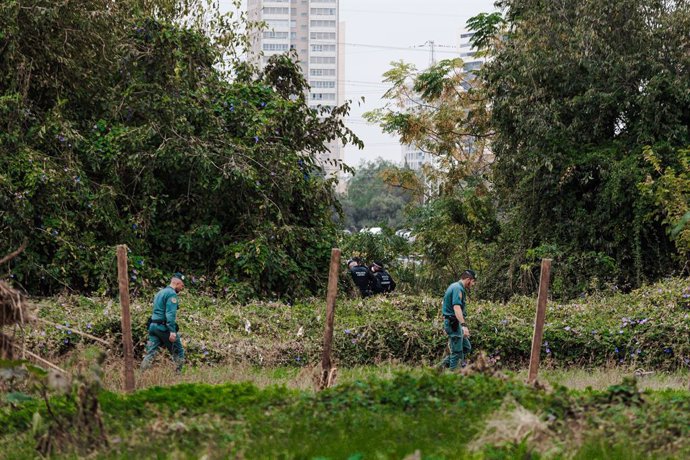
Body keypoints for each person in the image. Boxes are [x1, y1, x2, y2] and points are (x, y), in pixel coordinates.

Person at [141, 273, 186, 373]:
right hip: (163, 327)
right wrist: (172, 331)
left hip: (153, 326)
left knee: (150, 353)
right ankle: (178, 375)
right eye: (182, 285)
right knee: (179, 351)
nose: (182, 288)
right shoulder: (171, 294)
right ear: (177, 283)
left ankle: (141, 374)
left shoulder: (160, 292)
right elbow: (170, 314)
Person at [439, 269, 477, 370]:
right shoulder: (457, 288)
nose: (473, 284)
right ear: (468, 279)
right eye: (473, 282)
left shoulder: (458, 287)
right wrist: (464, 326)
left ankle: (439, 368)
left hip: (456, 324)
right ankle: (452, 377)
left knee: (466, 347)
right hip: (453, 323)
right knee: (457, 352)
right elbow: (456, 308)